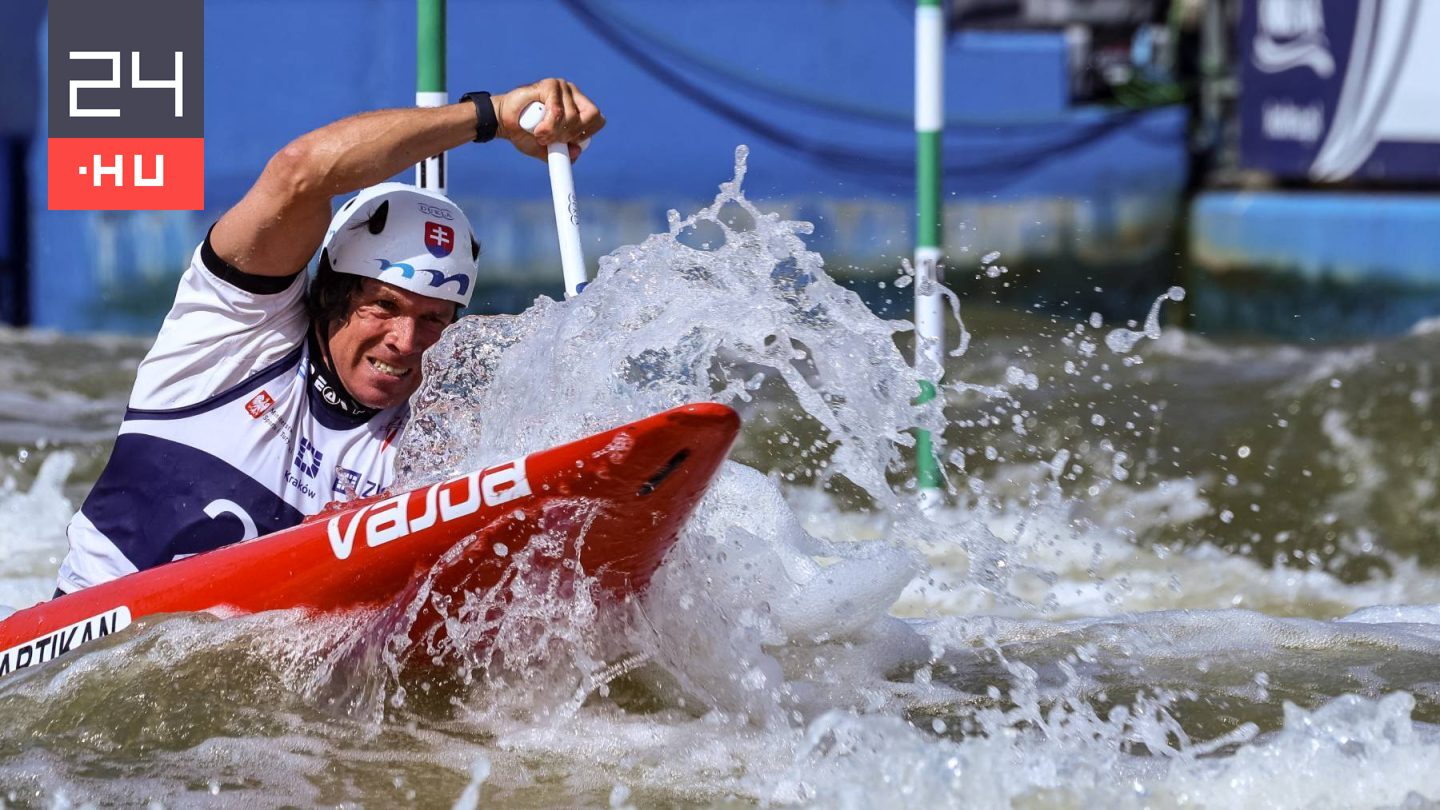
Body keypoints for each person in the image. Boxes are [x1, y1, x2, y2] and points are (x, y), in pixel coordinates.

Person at [54, 79, 605, 595]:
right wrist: (490, 117)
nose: (407, 340)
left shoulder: (430, 449)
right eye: (384, 306)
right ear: (334, 293)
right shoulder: (230, 331)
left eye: (435, 319)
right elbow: (301, 172)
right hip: (74, 653)